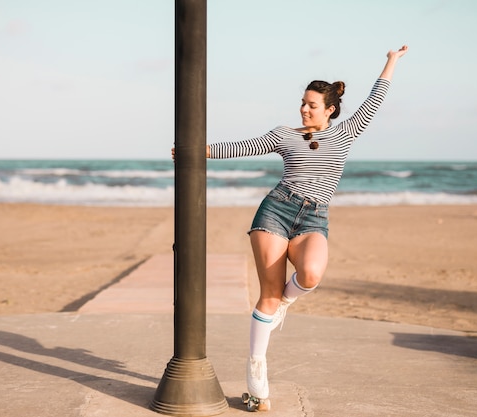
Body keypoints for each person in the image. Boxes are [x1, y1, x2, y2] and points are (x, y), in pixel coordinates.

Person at [174, 45, 408, 405]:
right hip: (275, 212)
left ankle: (285, 302)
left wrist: (390, 62)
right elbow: (242, 147)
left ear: (330, 110)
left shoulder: (346, 132)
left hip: (314, 217)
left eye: (312, 105)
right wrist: (194, 149)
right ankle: (256, 375)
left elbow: (374, 101)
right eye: (303, 102)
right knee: (267, 294)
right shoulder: (285, 134)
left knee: (311, 274)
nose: (304, 108)